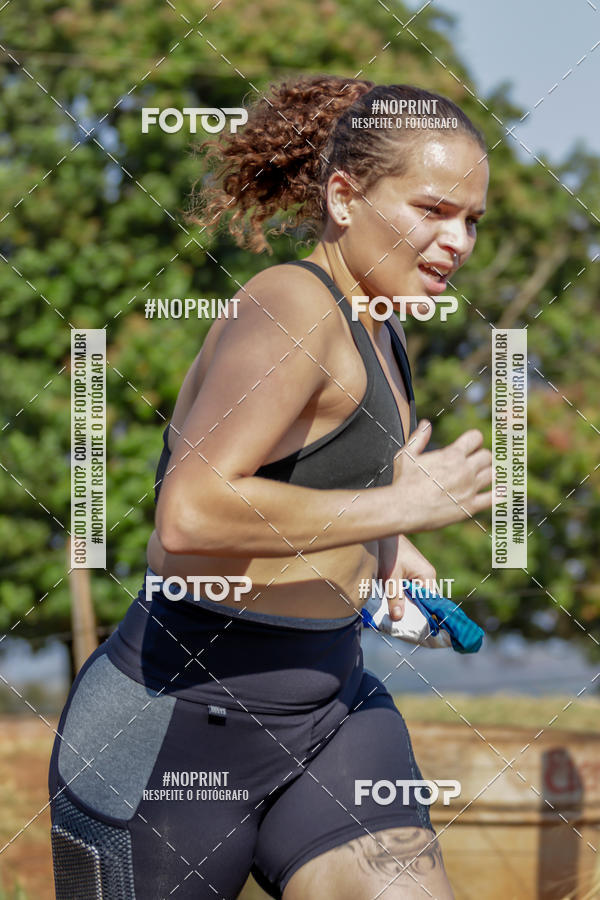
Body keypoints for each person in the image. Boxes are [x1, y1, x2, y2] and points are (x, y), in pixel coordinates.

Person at [49, 75, 491, 900]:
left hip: (330, 711)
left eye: (471, 219)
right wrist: (399, 505)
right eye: (433, 210)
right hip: (177, 729)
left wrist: (386, 555)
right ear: (345, 196)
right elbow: (190, 512)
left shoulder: (382, 325)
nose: (458, 240)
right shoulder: (290, 305)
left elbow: (311, 491)